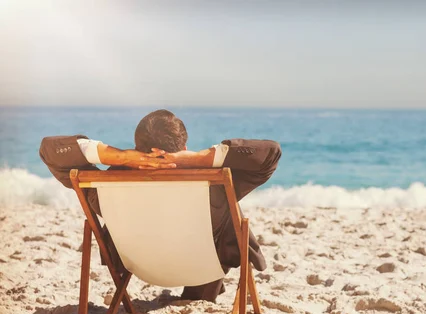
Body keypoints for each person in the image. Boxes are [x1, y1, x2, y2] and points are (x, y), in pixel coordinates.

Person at [39, 109, 282, 302]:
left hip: (138, 263)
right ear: (184, 149)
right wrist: (200, 158)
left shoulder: (105, 186)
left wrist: (120, 157)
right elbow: (270, 153)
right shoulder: (215, 185)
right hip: (203, 265)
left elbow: (50, 150)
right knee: (228, 213)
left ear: (135, 148)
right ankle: (202, 294)